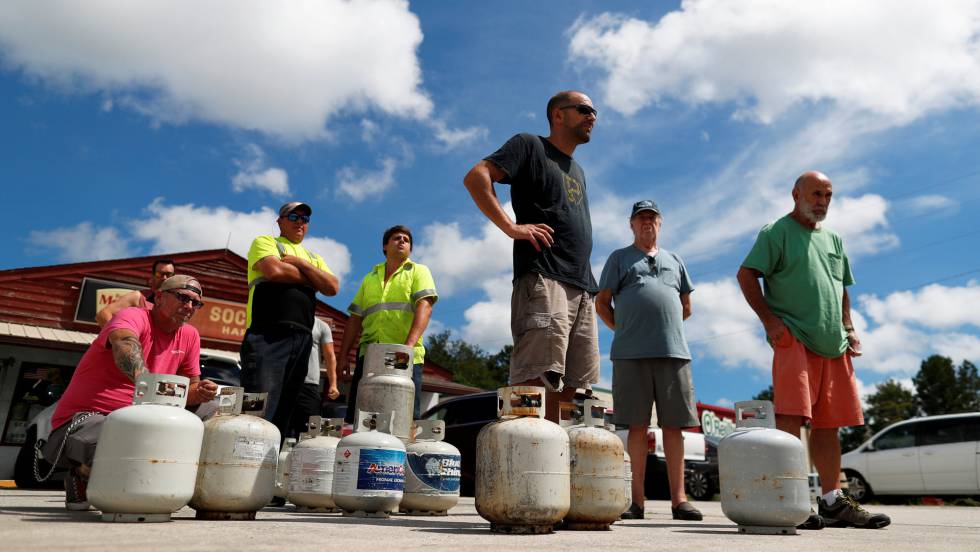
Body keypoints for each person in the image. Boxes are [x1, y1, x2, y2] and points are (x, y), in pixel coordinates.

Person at [736, 171, 891, 529]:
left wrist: (849, 327)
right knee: (792, 418)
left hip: (833, 343)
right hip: (795, 339)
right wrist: (770, 322)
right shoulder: (775, 232)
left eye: (828, 195)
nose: (822, 201)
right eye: (816, 194)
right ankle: (793, 502)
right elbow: (746, 274)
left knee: (829, 424)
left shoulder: (835, 239)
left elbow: (842, 288)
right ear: (796, 194)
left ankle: (833, 501)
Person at [463, 90, 600, 422]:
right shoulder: (529, 145)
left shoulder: (578, 171)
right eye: (584, 109)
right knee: (534, 377)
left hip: (581, 287)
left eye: (595, 112)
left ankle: (548, 464)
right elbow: (476, 176)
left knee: (572, 388)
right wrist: (512, 227)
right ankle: (521, 463)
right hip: (544, 277)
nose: (592, 117)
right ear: (558, 115)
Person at [43, 275, 218, 510]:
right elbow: (125, 344)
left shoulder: (190, 335)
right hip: (87, 421)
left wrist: (202, 392)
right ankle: (81, 473)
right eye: (182, 297)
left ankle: (201, 492)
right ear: (159, 297)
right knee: (126, 438)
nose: (188, 306)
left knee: (214, 411)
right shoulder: (134, 315)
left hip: (147, 421)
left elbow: (191, 388)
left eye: (196, 303)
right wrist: (146, 384)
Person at [595, 200, 702, 521]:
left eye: (652, 218)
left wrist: (662, 328)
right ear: (631, 224)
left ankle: (679, 501)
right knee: (636, 427)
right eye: (641, 218)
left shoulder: (675, 260)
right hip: (630, 354)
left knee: (674, 427)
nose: (647, 223)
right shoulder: (619, 258)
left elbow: (686, 306)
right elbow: (602, 303)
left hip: (674, 353)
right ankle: (636, 502)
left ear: (660, 223)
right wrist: (625, 328)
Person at [240, 201, 339, 441]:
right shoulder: (266, 242)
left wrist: (301, 264)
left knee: (284, 410)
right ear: (280, 221)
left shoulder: (312, 256)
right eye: (294, 217)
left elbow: (332, 287)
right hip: (268, 334)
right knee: (260, 406)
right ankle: (246, 463)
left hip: (303, 339)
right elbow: (274, 271)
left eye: (305, 219)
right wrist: (313, 278)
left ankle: (269, 468)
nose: (300, 223)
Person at [339, 225, 437, 423]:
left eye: (406, 240)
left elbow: (425, 307)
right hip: (369, 356)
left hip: (402, 355)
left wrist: (407, 349)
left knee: (400, 416)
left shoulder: (418, 271)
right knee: (362, 415)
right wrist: (342, 357)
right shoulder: (369, 278)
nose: (402, 241)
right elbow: (355, 319)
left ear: (410, 248)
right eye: (396, 238)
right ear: (385, 246)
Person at [95, 259, 175, 326]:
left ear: (174, 276)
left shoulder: (180, 302)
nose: (164, 278)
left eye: (168, 274)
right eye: (159, 274)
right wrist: (118, 339)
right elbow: (103, 315)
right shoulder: (138, 297)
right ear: (153, 276)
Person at [294, 316, 339, 435]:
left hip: (309, 386)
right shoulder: (284, 318)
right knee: (280, 427)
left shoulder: (321, 326)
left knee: (310, 433)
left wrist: (333, 384)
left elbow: (330, 356)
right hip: (284, 383)